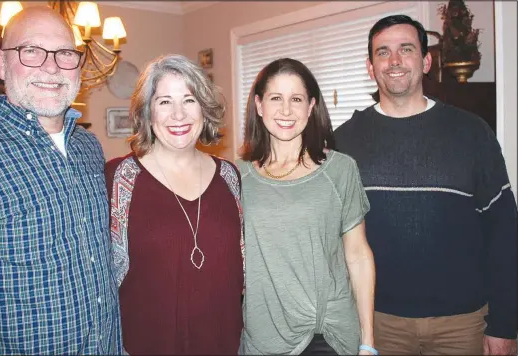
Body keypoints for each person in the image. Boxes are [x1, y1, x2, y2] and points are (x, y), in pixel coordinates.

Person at [334, 14, 517, 355]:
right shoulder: (343, 141)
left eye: (406, 49)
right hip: (377, 322)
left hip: (462, 324)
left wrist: (506, 322)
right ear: (370, 67)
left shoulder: (472, 132)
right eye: (383, 52)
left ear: (426, 60)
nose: (395, 61)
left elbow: (503, 230)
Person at [0, 7, 122, 355]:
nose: (51, 66)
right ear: (1, 63)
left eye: (64, 53)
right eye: (31, 51)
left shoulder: (88, 146)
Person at [105, 54, 245, 355]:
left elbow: (240, 274)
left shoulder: (230, 177)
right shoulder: (118, 179)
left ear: (204, 109)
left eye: (189, 100)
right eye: (165, 101)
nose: (178, 115)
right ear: (147, 112)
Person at [237, 58, 376, 356]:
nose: (286, 110)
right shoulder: (237, 177)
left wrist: (368, 342)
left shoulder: (340, 170)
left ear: (311, 106)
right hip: (263, 336)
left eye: (296, 99)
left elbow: (358, 255)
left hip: (327, 335)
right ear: (259, 106)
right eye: (276, 98)